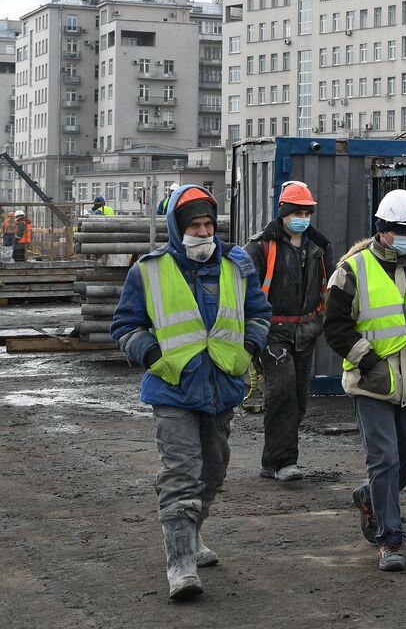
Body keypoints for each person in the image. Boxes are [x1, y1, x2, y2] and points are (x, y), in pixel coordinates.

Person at [110, 185, 272, 602]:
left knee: (212, 473)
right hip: (173, 389)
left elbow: (258, 313)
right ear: (177, 228)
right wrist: (153, 355)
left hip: (222, 385)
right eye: (194, 226)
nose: (203, 232)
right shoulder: (148, 271)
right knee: (182, 474)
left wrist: (248, 349)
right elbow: (125, 326)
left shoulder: (237, 265)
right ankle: (180, 566)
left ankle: (192, 535)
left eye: (208, 225)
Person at [322, 189, 406, 573]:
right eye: (401, 229)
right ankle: (390, 538)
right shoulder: (353, 269)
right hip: (371, 383)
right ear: (382, 229)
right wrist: (368, 361)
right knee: (385, 459)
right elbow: (336, 325)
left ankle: (370, 497)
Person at [244, 181, 331, 482]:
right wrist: (253, 333)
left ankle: (272, 461)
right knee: (281, 394)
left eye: (307, 213)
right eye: (297, 213)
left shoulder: (319, 248)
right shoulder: (260, 248)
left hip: (305, 332)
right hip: (273, 333)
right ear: (283, 212)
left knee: (298, 400)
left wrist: (316, 325)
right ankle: (284, 462)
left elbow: (327, 289)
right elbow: (245, 293)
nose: (302, 218)